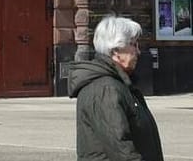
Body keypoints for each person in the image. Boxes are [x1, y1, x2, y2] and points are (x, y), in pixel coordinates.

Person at [67, 14, 165, 161]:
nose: (138, 51)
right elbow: (120, 147)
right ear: (115, 51)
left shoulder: (120, 84)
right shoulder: (105, 89)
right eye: (133, 44)